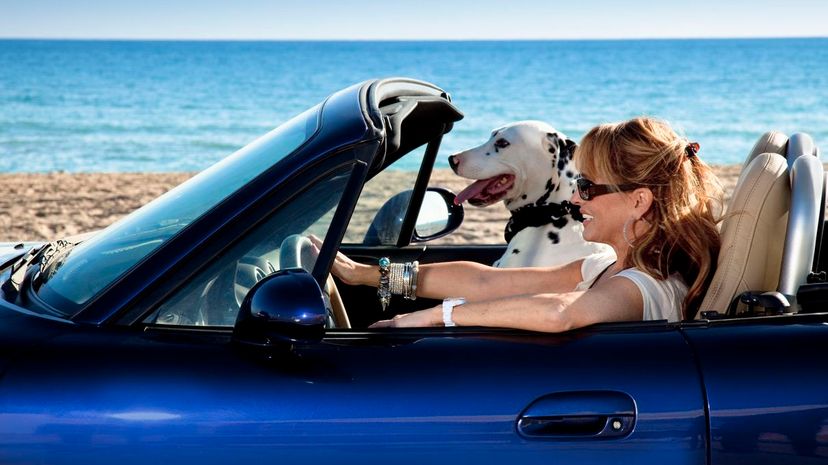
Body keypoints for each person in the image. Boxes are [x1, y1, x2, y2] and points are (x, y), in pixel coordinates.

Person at [318, 116, 722, 332]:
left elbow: (560, 313)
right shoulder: (605, 265)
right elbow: (483, 283)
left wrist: (433, 316)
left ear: (638, 201)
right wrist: (367, 275)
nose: (574, 197)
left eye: (586, 187)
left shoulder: (644, 286)